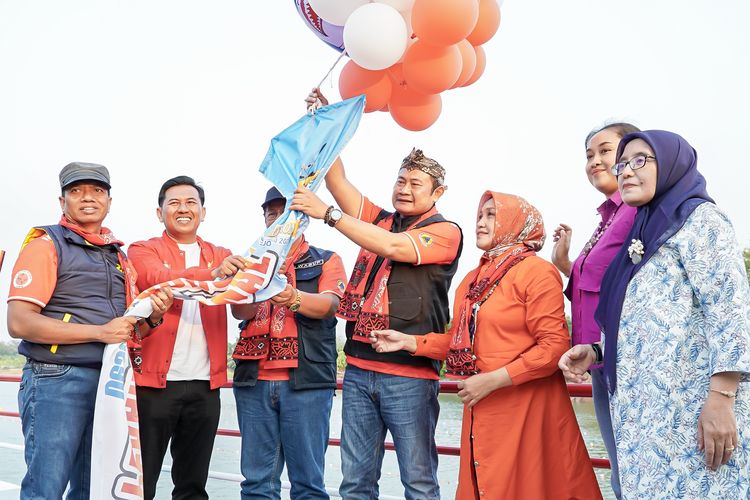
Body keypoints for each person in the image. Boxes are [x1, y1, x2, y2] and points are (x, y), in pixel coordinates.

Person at [371, 191, 602, 499]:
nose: (481, 222)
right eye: (480, 215)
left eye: (492, 215)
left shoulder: (536, 271)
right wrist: (410, 342)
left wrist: (493, 380)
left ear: (515, 222)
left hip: (526, 410)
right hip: (481, 407)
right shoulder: (473, 280)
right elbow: (463, 344)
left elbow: (553, 346)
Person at [559, 130, 750, 498]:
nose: (626, 171)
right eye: (623, 164)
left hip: (692, 411)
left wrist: (722, 398)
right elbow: (640, 318)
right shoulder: (645, 233)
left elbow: (730, 313)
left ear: (673, 163)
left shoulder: (700, 221)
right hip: (646, 419)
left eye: (640, 160)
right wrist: (597, 351)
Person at [294, 89, 462, 500]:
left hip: (409, 375)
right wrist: (326, 120)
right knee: (355, 483)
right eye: (401, 180)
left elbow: (393, 248)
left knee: (418, 482)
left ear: (437, 193)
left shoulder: (445, 232)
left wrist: (330, 217)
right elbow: (336, 181)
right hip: (357, 370)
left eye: (416, 183)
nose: (404, 188)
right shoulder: (381, 220)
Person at [7, 162, 172, 500]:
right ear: (62, 201)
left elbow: (123, 330)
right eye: (76, 191)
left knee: (91, 486)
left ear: (109, 201)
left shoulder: (118, 256)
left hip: (108, 383)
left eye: (97, 191)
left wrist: (153, 317)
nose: (87, 198)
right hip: (56, 378)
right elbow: (19, 322)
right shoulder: (46, 244)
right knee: (45, 488)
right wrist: (100, 333)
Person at [126, 175, 246, 500]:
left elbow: (243, 307)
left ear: (202, 212)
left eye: (191, 202)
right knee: (141, 481)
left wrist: (257, 282)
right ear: (159, 212)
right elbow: (157, 278)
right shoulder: (141, 249)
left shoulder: (221, 253)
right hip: (153, 385)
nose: (183, 209)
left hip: (206, 386)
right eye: (174, 203)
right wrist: (215, 274)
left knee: (193, 486)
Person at [231, 187, 348, 499]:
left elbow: (329, 305)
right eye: (272, 212)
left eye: (286, 212)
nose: (278, 218)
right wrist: (257, 279)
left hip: (307, 383)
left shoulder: (326, 259)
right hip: (253, 381)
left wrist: (292, 296)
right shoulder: (251, 261)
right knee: (256, 483)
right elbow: (238, 310)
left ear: (303, 217)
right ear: (265, 217)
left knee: (308, 483)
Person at [550, 121, 639, 497]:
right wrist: (564, 262)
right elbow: (596, 289)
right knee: (620, 466)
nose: (595, 161)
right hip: (598, 361)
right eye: (589, 155)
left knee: (634, 466)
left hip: (628, 360)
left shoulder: (638, 212)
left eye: (605, 151)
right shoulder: (607, 218)